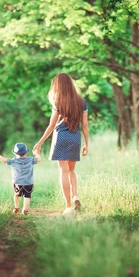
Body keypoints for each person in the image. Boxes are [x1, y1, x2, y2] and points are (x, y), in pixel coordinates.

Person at [33, 73, 89, 215]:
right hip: (75, 138)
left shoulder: (58, 102)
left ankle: (68, 206)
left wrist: (40, 142)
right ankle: (76, 195)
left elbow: (52, 126)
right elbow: (85, 125)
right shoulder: (82, 102)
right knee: (71, 170)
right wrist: (86, 144)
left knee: (63, 171)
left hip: (61, 137)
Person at [0, 142, 41, 215]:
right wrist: (36, 153)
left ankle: (16, 207)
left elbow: (4, 160)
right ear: (26, 152)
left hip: (17, 183)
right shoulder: (30, 160)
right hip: (29, 183)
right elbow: (39, 159)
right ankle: (25, 209)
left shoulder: (13, 161)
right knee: (27, 196)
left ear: (15, 153)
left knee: (16, 194)